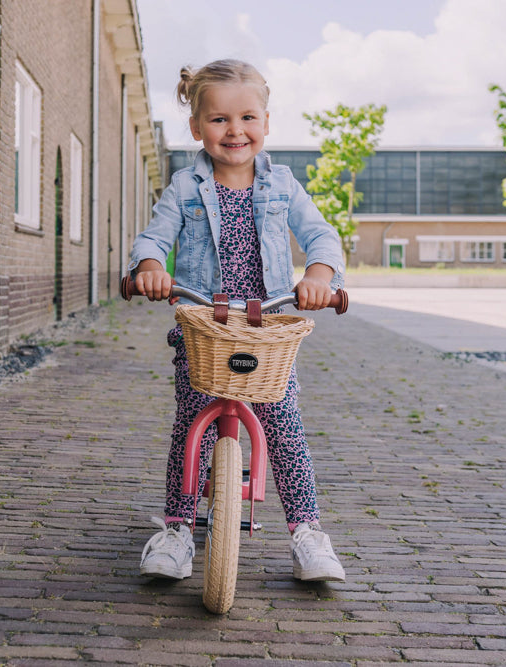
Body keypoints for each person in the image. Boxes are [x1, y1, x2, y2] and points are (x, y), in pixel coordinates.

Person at [129, 59, 346, 583]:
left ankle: (307, 533)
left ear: (266, 124)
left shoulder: (283, 185)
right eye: (220, 120)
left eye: (247, 117)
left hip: (268, 329)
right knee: (192, 428)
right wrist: (151, 268)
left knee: (285, 427)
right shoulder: (185, 186)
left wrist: (318, 275)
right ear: (197, 127)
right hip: (204, 326)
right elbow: (155, 238)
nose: (235, 131)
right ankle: (178, 529)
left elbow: (321, 236)